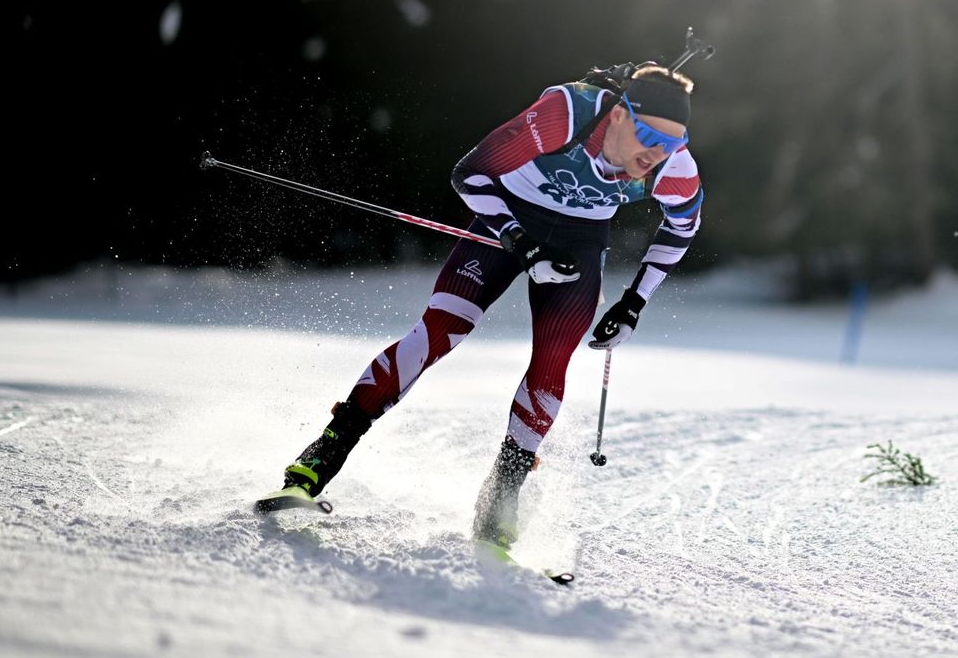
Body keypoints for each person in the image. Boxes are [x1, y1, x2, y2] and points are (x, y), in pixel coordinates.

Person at [265, 63, 703, 551]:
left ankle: (500, 501)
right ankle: (317, 461)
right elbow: (470, 173)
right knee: (437, 333)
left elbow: (681, 230)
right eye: (649, 136)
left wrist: (633, 303)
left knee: (552, 362)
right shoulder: (566, 114)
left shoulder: (673, 166)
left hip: (580, 242)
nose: (655, 154)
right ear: (619, 116)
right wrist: (519, 242)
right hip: (508, 218)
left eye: (671, 144)